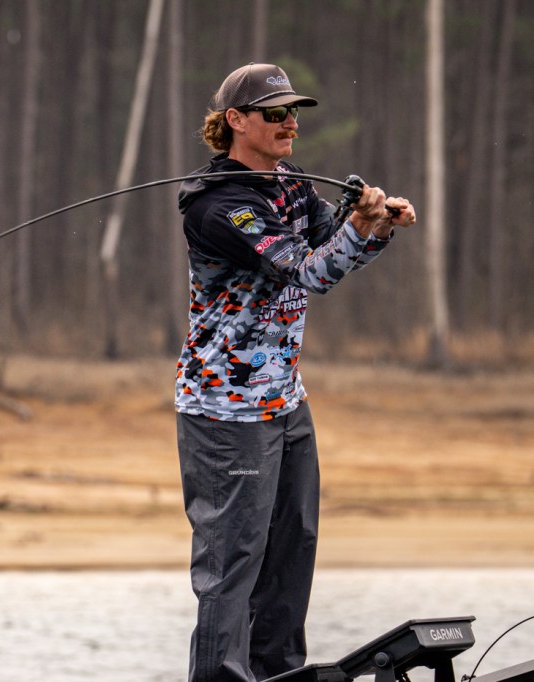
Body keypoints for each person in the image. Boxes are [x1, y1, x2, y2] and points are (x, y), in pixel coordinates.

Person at [174, 63, 416, 682]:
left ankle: (278, 674)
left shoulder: (289, 185)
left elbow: (330, 248)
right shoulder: (222, 207)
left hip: (284, 401)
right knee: (233, 561)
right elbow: (308, 271)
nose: (291, 124)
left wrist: (374, 226)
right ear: (236, 121)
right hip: (227, 412)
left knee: (292, 549)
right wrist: (356, 229)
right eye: (276, 113)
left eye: (294, 113)